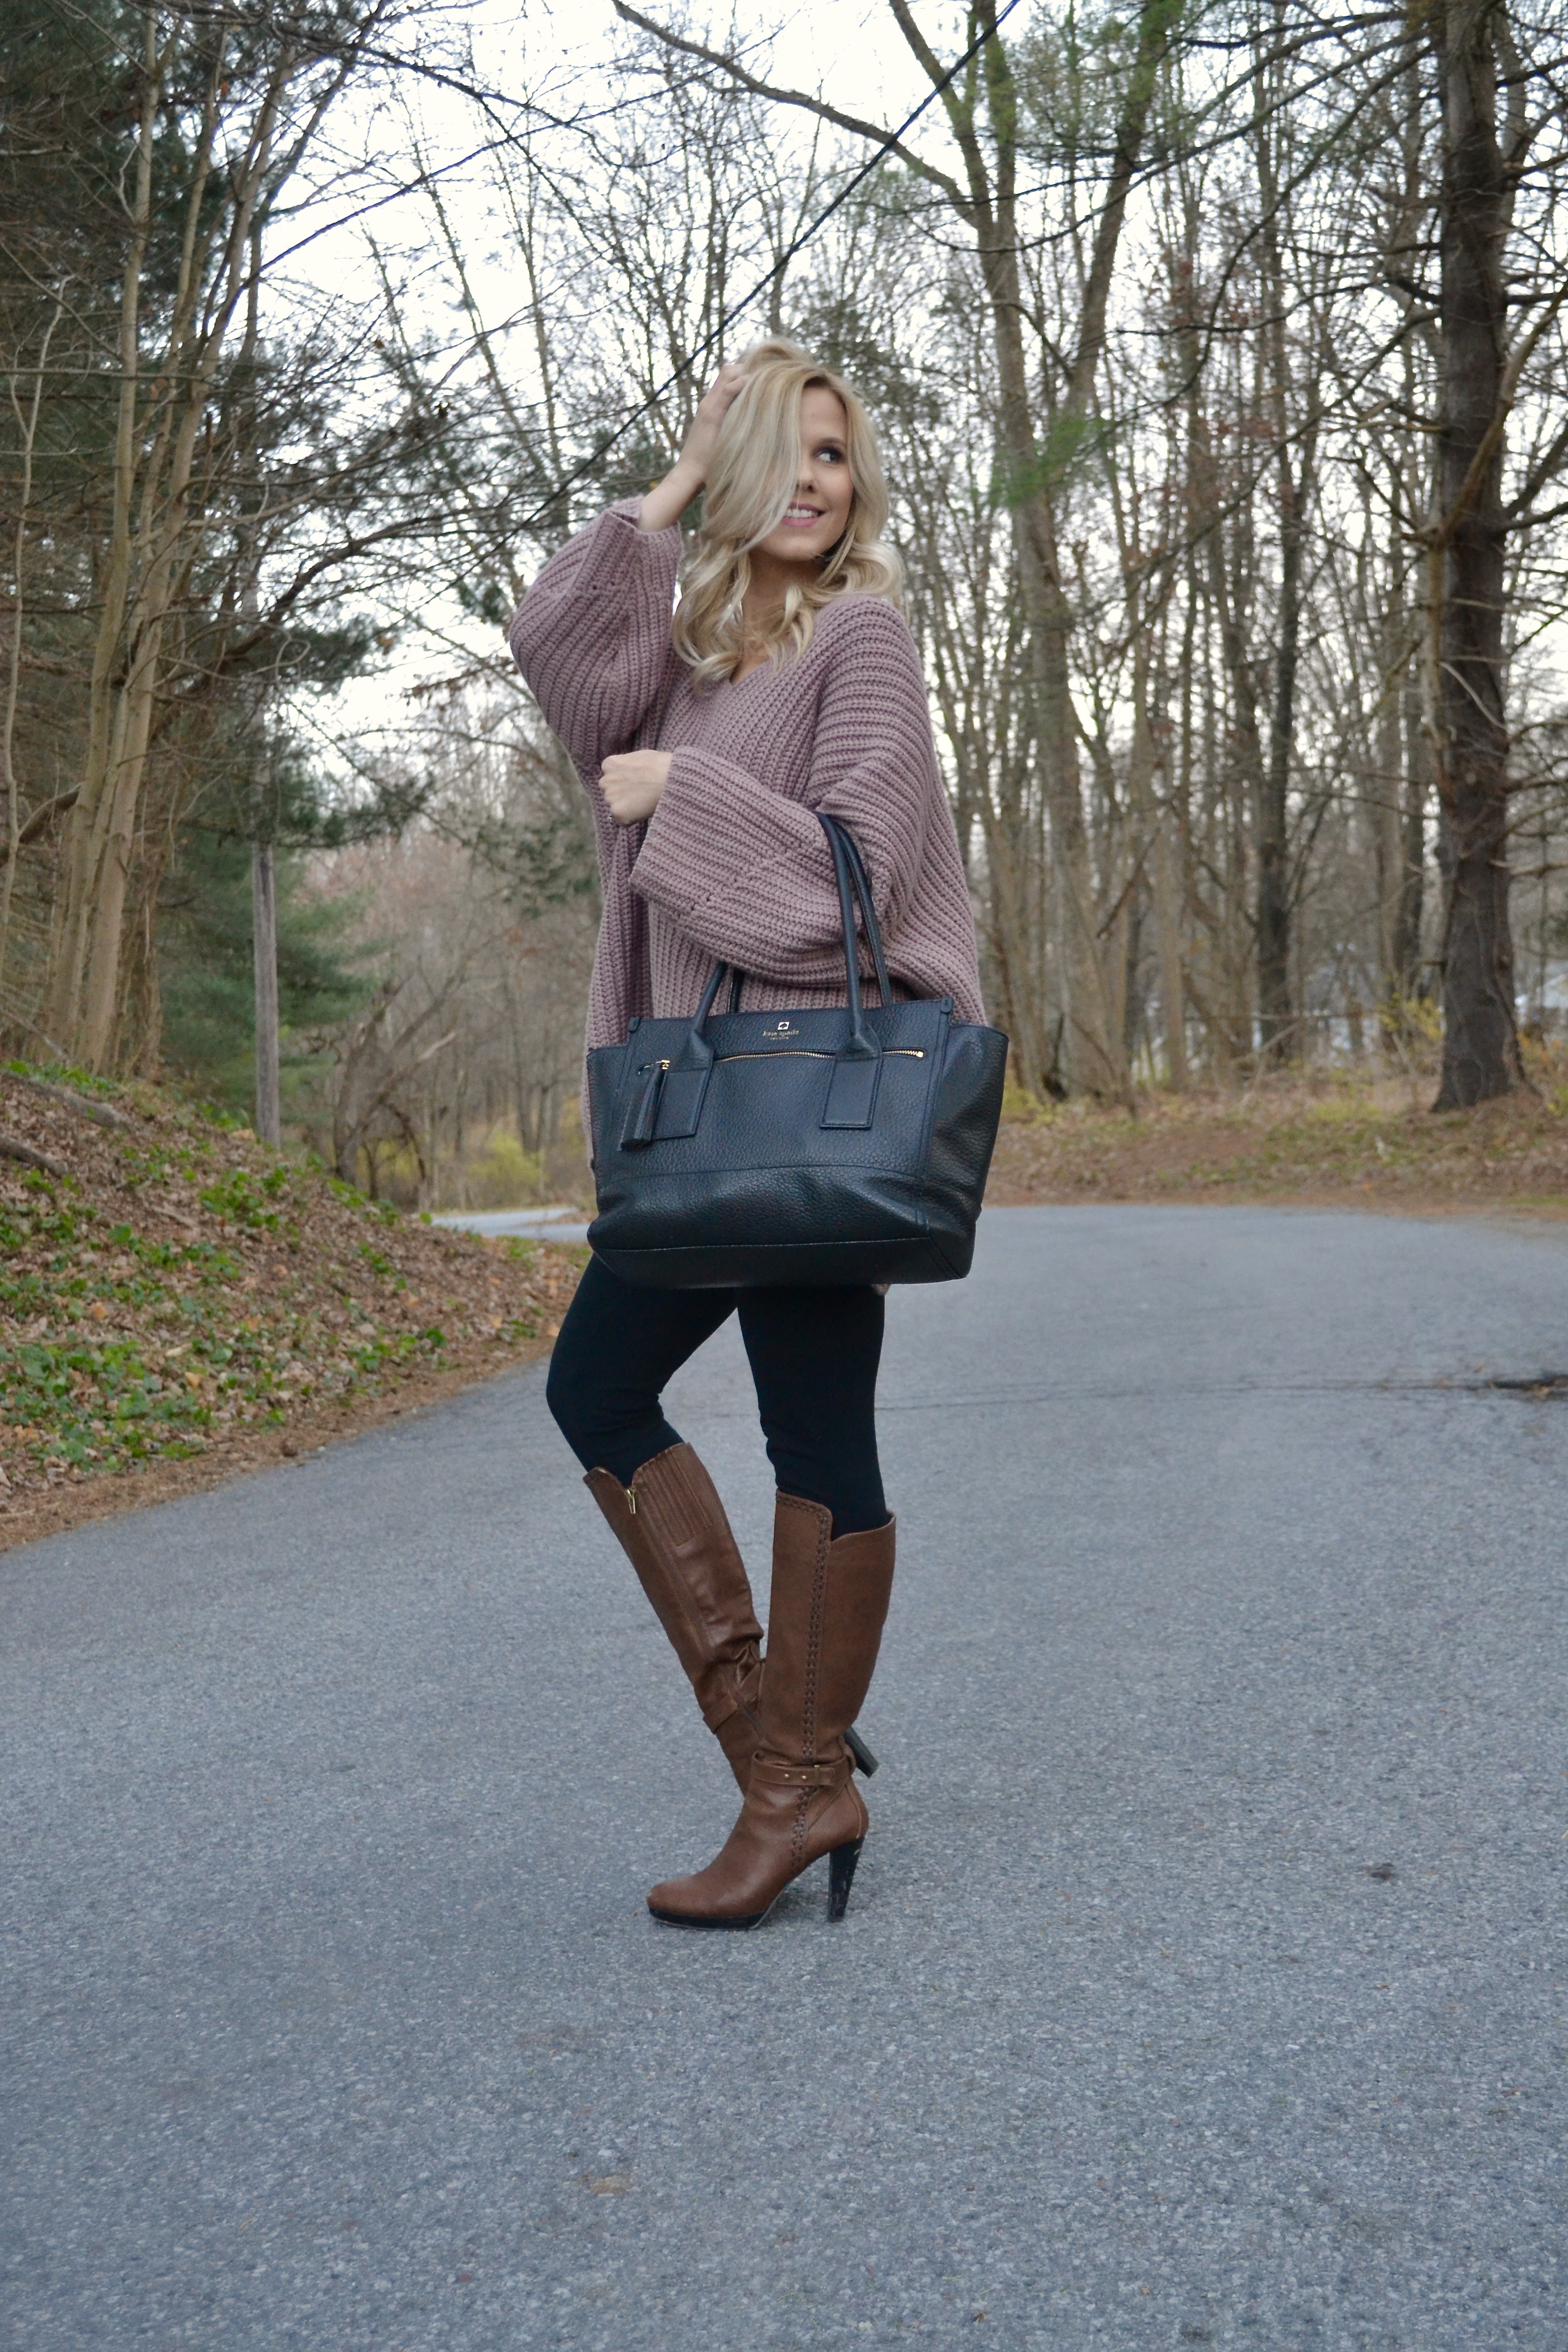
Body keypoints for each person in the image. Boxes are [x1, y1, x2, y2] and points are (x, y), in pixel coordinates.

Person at [508, 340, 986, 1928]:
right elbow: (558, 657)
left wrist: (679, 805)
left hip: (806, 1103)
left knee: (815, 1432)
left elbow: (860, 873)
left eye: (836, 459)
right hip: (692, 1104)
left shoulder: (869, 640)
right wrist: (679, 470)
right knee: (596, 1385)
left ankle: (793, 1787)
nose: (812, 482)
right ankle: (785, 1752)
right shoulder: (688, 656)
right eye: (785, 453)